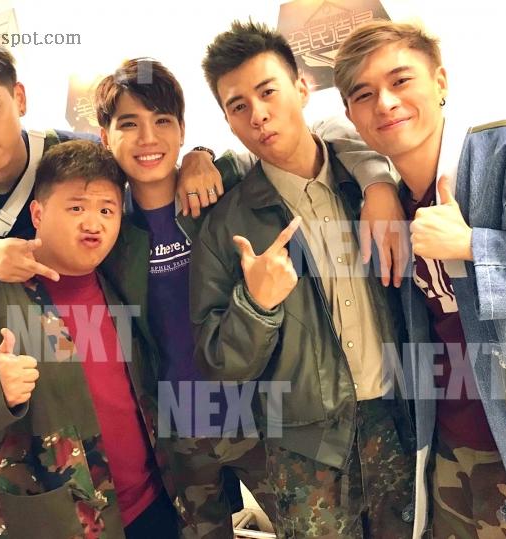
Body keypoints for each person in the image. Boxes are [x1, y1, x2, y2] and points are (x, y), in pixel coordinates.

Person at [94, 55, 411, 538]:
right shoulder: (108, 228)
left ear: (182, 129)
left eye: (162, 121)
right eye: (128, 124)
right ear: (105, 136)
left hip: (261, 416)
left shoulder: (221, 190)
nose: (148, 138)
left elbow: (325, 132)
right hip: (178, 426)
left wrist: (378, 180)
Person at [335, 19, 506, 539]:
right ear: (351, 115)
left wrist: (473, 248)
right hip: (449, 449)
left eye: (401, 80)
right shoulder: (393, 205)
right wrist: (376, 185)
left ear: (440, 81)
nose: (385, 103)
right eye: (364, 95)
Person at [191, 20, 415, 538]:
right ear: (227, 121)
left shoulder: (369, 185)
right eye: (238, 105)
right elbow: (220, 363)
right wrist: (256, 306)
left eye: (267, 91)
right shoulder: (226, 225)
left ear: (302, 87)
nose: (258, 114)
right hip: (305, 449)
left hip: (399, 420)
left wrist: (379, 184)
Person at [0, 140, 181, 538]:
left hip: (152, 506)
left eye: (106, 210)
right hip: (62, 524)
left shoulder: (119, 282)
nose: (93, 223)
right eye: (76, 208)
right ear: (37, 213)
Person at [0, 43, 221, 307]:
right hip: (10, 350)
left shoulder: (80, 152)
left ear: (19, 98)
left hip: (102, 328)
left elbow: (148, 161)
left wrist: (198, 156)